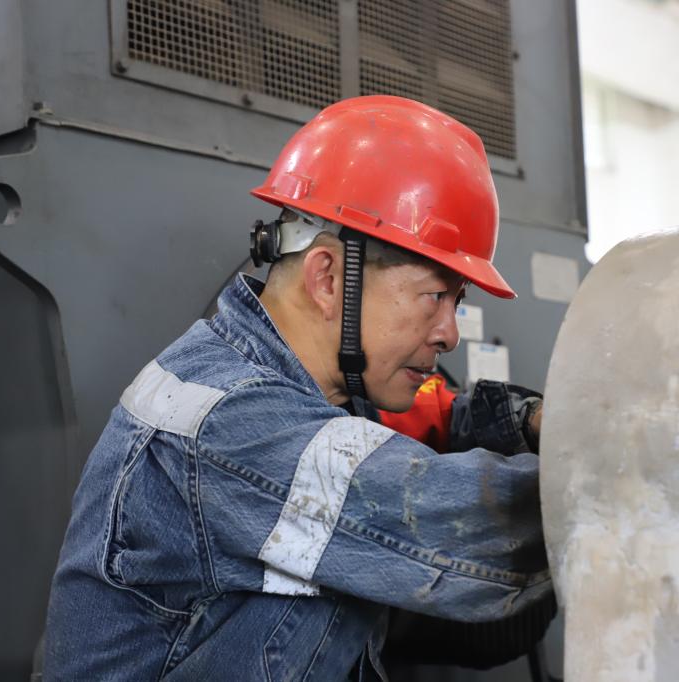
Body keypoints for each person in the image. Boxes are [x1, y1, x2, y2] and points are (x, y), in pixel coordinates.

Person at [43, 95, 551, 680]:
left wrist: (531, 420)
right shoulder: (233, 418)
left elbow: (432, 422)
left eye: (456, 302)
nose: (450, 334)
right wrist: (614, 475)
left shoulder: (319, 389)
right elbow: (465, 530)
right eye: (435, 296)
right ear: (329, 278)